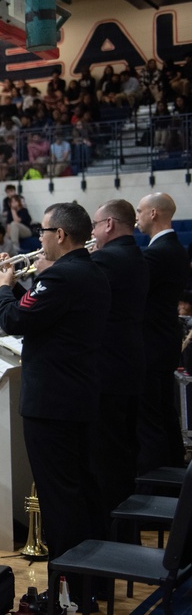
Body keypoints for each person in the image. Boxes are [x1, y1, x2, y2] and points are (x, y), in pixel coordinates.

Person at [0, 202, 111, 598]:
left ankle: (69, 592)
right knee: (83, 494)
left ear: (59, 234)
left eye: (42, 232)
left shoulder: (61, 277)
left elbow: (15, 320)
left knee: (60, 502)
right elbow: (44, 313)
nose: (37, 239)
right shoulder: (91, 272)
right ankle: (92, 585)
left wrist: (3, 288)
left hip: (51, 405)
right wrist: (23, 287)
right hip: (79, 398)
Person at [87, 199, 148, 535]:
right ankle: (126, 533)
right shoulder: (134, 253)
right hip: (127, 365)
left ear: (108, 224)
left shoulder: (107, 258)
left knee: (106, 461)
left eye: (95, 226)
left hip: (108, 371)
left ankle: (114, 537)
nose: (92, 233)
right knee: (122, 456)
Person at [135, 192, 191, 473]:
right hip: (163, 340)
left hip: (151, 344)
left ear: (153, 213)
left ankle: (155, 482)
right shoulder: (174, 248)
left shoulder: (157, 253)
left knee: (151, 421)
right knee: (165, 414)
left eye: (140, 211)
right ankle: (174, 473)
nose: (137, 217)